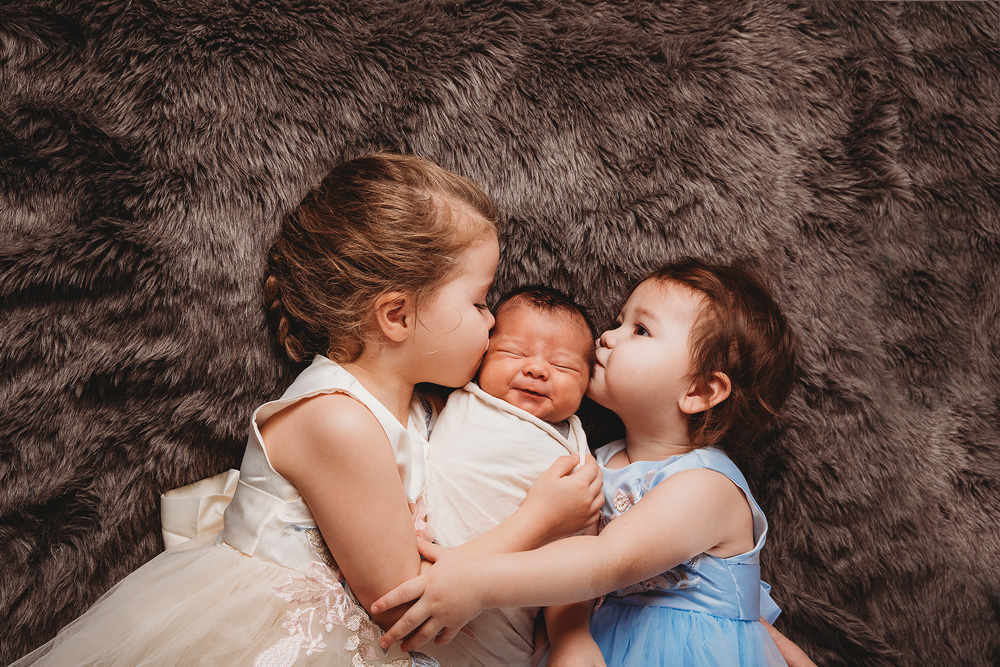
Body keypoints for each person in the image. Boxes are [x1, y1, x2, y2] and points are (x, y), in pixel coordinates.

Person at [11, 153, 601, 667]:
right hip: (281, 639)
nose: (495, 321)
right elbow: (408, 601)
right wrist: (540, 521)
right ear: (395, 317)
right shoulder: (336, 419)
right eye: (478, 301)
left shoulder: (423, 405)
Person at [371, 259, 810, 666]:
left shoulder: (706, 485)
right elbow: (562, 564)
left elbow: (607, 561)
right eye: (619, 320)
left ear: (698, 391)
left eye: (639, 330)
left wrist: (476, 582)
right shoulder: (591, 461)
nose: (607, 335)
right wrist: (568, 633)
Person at [423, 286, 597, 666]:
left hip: (500, 632)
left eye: (564, 366)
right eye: (513, 353)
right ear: (481, 357)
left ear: (588, 386)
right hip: (415, 580)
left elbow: (576, 554)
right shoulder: (455, 397)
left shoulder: (579, 456)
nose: (536, 369)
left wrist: (572, 633)